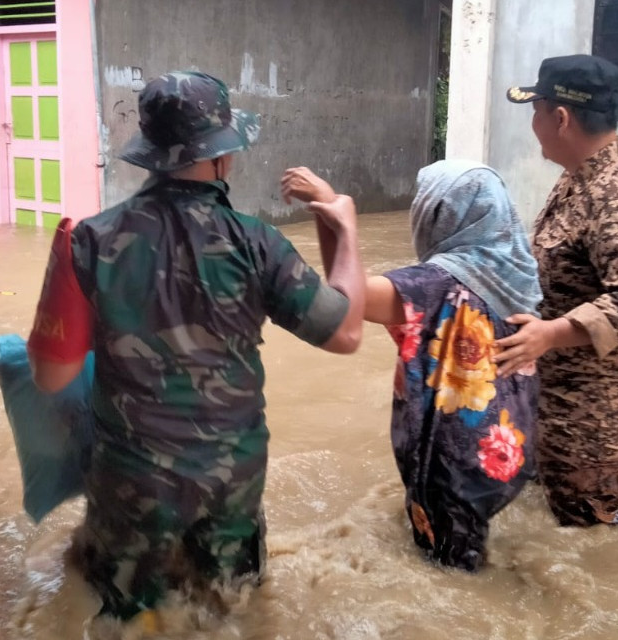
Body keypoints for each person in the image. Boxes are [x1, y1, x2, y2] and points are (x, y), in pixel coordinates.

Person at [27, 71, 366, 631]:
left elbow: (52, 375)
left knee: (121, 616)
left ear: (150, 154)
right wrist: (345, 231)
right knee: (232, 610)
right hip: (230, 481)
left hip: (130, 487)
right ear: (224, 157)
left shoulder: (86, 240)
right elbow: (347, 333)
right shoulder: (258, 244)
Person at [281, 163, 541, 571]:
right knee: (470, 552)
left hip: (451, 464)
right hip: (503, 449)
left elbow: (348, 299)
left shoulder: (437, 284)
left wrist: (332, 211)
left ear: (436, 217)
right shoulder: (516, 272)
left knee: (450, 572)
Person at [497, 54, 618, 527]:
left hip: (591, 410)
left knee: (592, 536)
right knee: (555, 530)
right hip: (558, 394)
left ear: (560, 118)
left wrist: (551, 334)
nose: (532, 123)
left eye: (536, 110)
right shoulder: (579, 181)